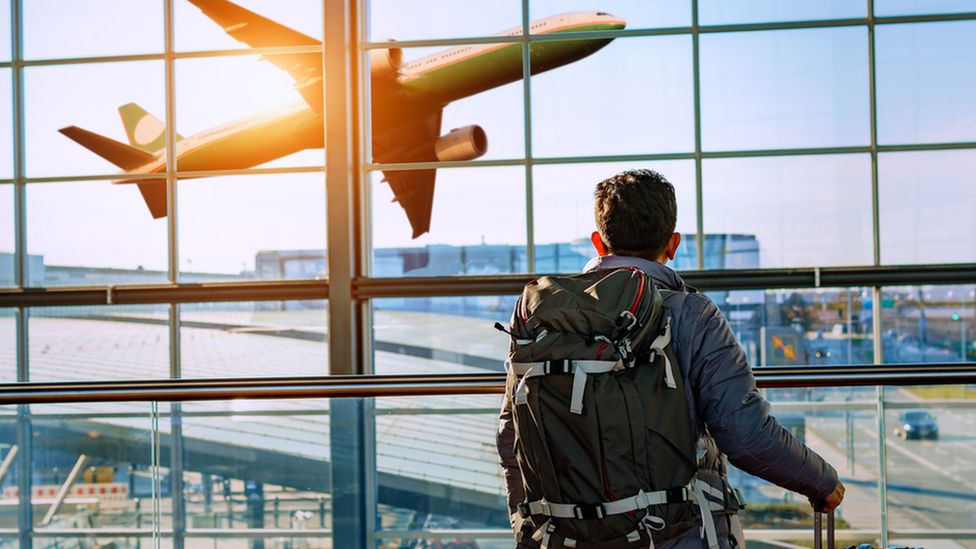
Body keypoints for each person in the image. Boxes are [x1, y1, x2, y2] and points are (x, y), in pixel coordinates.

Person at [496, 169, 845, 548]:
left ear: (598, 242)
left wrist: (528, 527)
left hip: (561, 539)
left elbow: (509, 435)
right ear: (673, 244)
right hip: (675, 535)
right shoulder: (692, 313)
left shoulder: (540, 312)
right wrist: (822, 481)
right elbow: (744, 432)